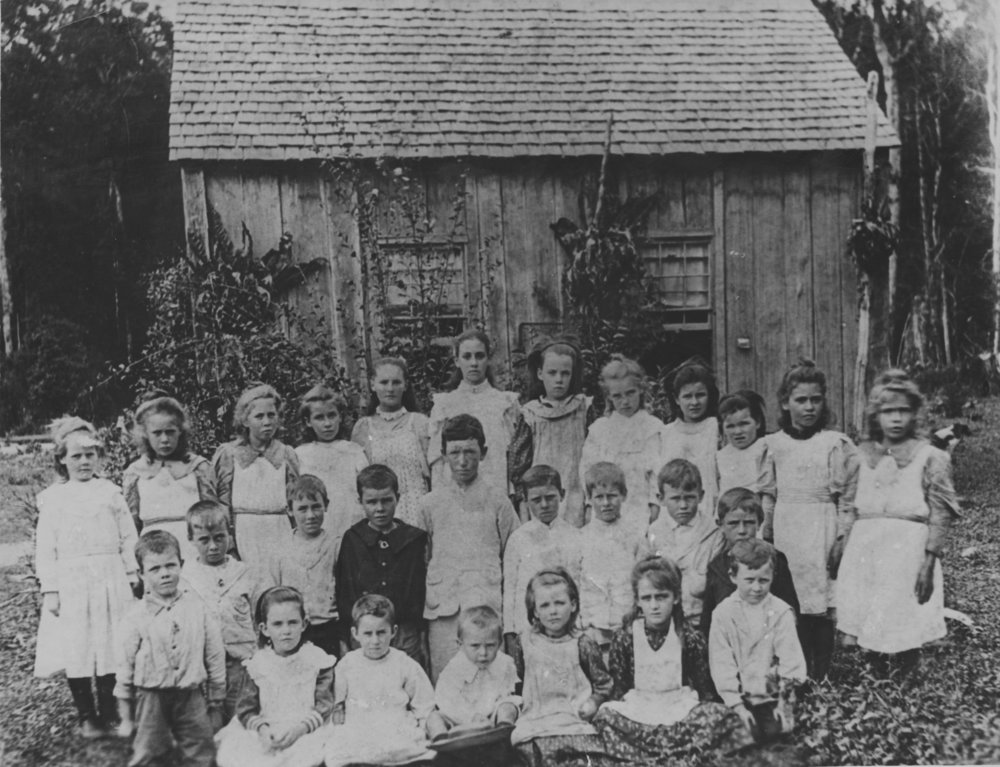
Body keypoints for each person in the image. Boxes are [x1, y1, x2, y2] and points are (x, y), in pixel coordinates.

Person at [836, 370, 960, 675]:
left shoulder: (930, 456)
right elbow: (848, 504)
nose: (895, 419)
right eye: (888, 411)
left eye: (903, 411)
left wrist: (930, 560)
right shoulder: (859, 456)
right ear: (875, 414)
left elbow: (941, 510)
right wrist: (841, 541)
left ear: (914, 414)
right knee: (870, 607)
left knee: (904, 609)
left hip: (908, 546)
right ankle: (875, 672)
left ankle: (907, 672)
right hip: (866, 546)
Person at [34, 417, 139, 738]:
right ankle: (86, 715)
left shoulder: (109, 492)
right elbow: (46, 548)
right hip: (72, 581)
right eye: (76, 456)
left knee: (110, 644)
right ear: (62, 459)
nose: (83, 462)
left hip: (109, 577)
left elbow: (127, 536)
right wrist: (50, 589)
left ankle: (108, 710)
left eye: (90, 455)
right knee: (77, 647)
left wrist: (131, 571)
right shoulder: (54, 499)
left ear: (99, 457)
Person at [594, 556, 753, 766]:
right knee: (605, 716)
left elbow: (705, 688)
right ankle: (666, 754)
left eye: (661, 597)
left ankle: (658, 754)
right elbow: (620, 687)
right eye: (647, 598)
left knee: (722, 717)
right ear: (637, 600)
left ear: (676, 597)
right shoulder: (625, 637)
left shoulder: (689, 637)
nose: (654, 605)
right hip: (639, 709)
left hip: (679, 708)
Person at [766, 361, 858, 680]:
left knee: (820, 603)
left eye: (815, 399)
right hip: (787, 527)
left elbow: (847, 498)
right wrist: (766, 536)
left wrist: (842, 537)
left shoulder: (834, 443)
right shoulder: (774, 445)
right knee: (792, 601)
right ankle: (797, 672)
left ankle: (821, 673)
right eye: (801, 400)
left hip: (822, 525)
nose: (808, 407)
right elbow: (767, 494)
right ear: (785, 402)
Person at [418, 414, 520, 681]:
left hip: (485, 603)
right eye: (455, 452)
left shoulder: (499, 502)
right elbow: (422, 558)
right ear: (443, 454)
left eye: (470, 452)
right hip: (443, 610)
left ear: (483, 453)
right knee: (446, 679)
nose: (462, 461)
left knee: (489, 680)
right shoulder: (429, 504)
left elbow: (514, 556)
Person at [115, 530, 225, 766]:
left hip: (190, 694)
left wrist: (216, 697)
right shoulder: (135, 617)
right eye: (155, 569)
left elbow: (214, 653)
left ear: (181, 565)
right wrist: (126, 713)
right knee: (150, 751)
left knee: (202, 750)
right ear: (141, 574)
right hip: (152, 694)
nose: (164, 574)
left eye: (170, 565)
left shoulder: (197, 608)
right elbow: (125, 665)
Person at [215, 586, 335, 767]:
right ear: (264, 628)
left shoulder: (316, 659)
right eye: (277, 624)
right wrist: (262, 730)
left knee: (309, 752)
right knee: (239, 750)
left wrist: (299, 730)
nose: (286, 630)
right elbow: (246, 708)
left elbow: (324, 705)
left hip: (305, 727)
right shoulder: (258, 664)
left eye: (293, 622)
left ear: (304, 624)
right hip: (266, 726)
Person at [508, 568, 613, 767]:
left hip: (573, 720)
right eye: (545, 605)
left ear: (573, 605)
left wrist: (593, 702)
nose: (553, 611)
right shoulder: (525, 643)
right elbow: (518, 684)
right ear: (535, 611)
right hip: (536, 720)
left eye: (560, 603)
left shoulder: (582, 643)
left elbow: (604, 685)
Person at [709, 539, 806, 742]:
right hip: (736, 697)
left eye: (763, 581)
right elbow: (721, 664)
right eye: (749, 580)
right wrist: (736, 706)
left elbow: (791, 661)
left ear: (772, 577)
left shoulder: (781, 612)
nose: (756, 588)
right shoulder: (723, 614)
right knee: (736, 738)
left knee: (779, 736)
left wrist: (785, 703)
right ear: (733, 577)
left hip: (772, 698)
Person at [324, 595, 436, 767]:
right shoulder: (347, 665)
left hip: (395, 726)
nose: (375, 641)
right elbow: (337, 707)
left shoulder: (404, 664)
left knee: (406, 748)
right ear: (355, 634)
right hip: (360, 728)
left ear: (393, 631)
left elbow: (424, 705)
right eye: (368, 634)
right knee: (341, 752)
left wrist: (423, 728)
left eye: (381, 632)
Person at [181, 500, 266, 723]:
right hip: (204, 663)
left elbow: (259, 616)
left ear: (229, 534)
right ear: (191, 540)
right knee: (210, 716)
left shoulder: (243, 573)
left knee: (240, 712)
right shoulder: (186, 578)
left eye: (219, 537)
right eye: (204, 540)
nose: (213, 546)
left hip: (240, 660)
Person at [336, 465, 429, 666]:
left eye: (386, 500)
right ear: (360, 501)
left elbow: (420, 591)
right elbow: (344, 591)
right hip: (366, 632)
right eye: (371, 502)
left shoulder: (413, 539)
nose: (379, 509)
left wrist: (421, 632)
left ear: (398, 497)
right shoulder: (353, 539)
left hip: (404, 632)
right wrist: (345, 636)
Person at [212, 383, 299, 572]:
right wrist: (229, 543)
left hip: (279, 532)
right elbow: (222, 504)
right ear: (245, 420)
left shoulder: (286, 454)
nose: (267, 422)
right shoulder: (230, 454)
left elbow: (295, 502)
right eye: (259, 416)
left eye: (271, 415)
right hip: (245, 533)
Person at [428, 329, 523, 494]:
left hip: (496, 490)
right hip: (456, 494)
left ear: (488, 359)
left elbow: (516, 457)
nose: (474, 363)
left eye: (479, 356)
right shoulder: (445, 404)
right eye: (467, 356)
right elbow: (438, 460)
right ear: (457, 361)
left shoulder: (505, 403)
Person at [123, 394, 214, 563]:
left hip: (192, 546)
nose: (164, 439)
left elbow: (212, 514)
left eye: (170, 432)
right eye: (157, 433)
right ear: (145, 435)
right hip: (152, 549)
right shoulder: (136, 472)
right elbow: (131, 523)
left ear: (180, 431)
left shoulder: (197, 467)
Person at [580, 355, 667, 532]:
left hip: (641, 507)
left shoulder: (653, 427)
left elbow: (658, 472)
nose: (625, 401)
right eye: (617, 396)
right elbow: (587, 471)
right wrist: (589, 505)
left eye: (630, 393)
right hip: (606, 506)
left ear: (641, 390)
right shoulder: (600, 430)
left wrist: (655, 506)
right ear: (609, 397)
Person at [513, 336, 593, 526]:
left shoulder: (583, 408)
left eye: (565, 373)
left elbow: (594, 456)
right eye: (552, 372)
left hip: (576, 493)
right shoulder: (531, 413)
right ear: (540, 373)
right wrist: (523, 505)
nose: (559, 379)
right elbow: (520, 466)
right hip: (541, 496)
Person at [503, 465, 582, 649]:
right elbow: (510, 589)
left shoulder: (576, 536)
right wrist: (510, 632)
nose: (544, 505)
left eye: (550, 497)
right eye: (536, 500)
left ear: (562, 494)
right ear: (526, 500)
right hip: (529, 627)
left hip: (569, 627)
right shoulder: (518, 539)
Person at [702, 488, 799, 637]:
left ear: (759, 523)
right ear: (720, 524)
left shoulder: (775, 560)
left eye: (748, 522)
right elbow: (708, 620)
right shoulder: (716, 566)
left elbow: (790, 612)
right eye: (733, 523)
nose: (741, 530)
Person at [578, 462, 650, 653]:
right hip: (592, 626)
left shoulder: (635, 537)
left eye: (612, 496)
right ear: (589, 499)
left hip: (627, 627)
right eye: (599, 497)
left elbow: (644, 581)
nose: (605, 503)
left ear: (623, 495)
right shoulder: (580, 538)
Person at [646, 459, 724, 633]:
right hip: (666, 620)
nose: (683, 505)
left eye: (689, 498)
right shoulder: (655, 531)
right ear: (661, 499)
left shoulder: (713, 532)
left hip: (701, 619)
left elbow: (714, 583)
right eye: (675, 498)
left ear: (701, 496)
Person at [351, 357, 430, 528]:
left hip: (416, 509)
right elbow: (359, 480)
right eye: (384, 382)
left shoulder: (420, 423)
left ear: (405, 385)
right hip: (379, 513)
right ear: (373, 385)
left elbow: (433, 476)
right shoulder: (363, 428)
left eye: (396, 382)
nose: (390, 388)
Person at [272, 475, 341, 658]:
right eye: (302, 509)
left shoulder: (336, 545)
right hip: (293, 632)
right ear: (289, 510)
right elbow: (273, 594)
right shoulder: (280, 548)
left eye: (316, 506)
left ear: (326, 505)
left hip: (329, 630)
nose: (310, 515)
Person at [427, 605, 520, 739]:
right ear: (460, 644)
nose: (483, 653)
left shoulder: (505, 664)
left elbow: (506, 693)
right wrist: (471, 717)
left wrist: (495, 714)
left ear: (499, 643)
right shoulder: (454, 668)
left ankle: (503, 730)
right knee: (434, 717)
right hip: (459, 720)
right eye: (475, 646)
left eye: (490, 645)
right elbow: (446, 701)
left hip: (491, 719)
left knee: (509, 706)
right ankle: (441, 739)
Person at [295, 384, 368, 537]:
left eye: (332, 415)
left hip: (351, 524)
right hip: (316, 525)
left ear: (340, 416)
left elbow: (366, 491)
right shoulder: (300, 454)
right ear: (308, 421)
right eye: (319, 418)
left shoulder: (354, 451)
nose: (327, 424)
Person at [661, 360, 721, 517]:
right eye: (687, 396)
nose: (694, 402)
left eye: (700, 395)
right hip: (674, 512)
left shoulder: (715, 427)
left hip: (709, 509)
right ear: (676, 399)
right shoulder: (666, 433)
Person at [716, 390, 776, 539]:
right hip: (730, 524)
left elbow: (768, 495)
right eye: (730, 426)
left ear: (757, 422)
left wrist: (765, 528)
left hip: (755, 524)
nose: (738, 431)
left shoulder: (764, 448)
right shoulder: (721, 455)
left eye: (744, 424)